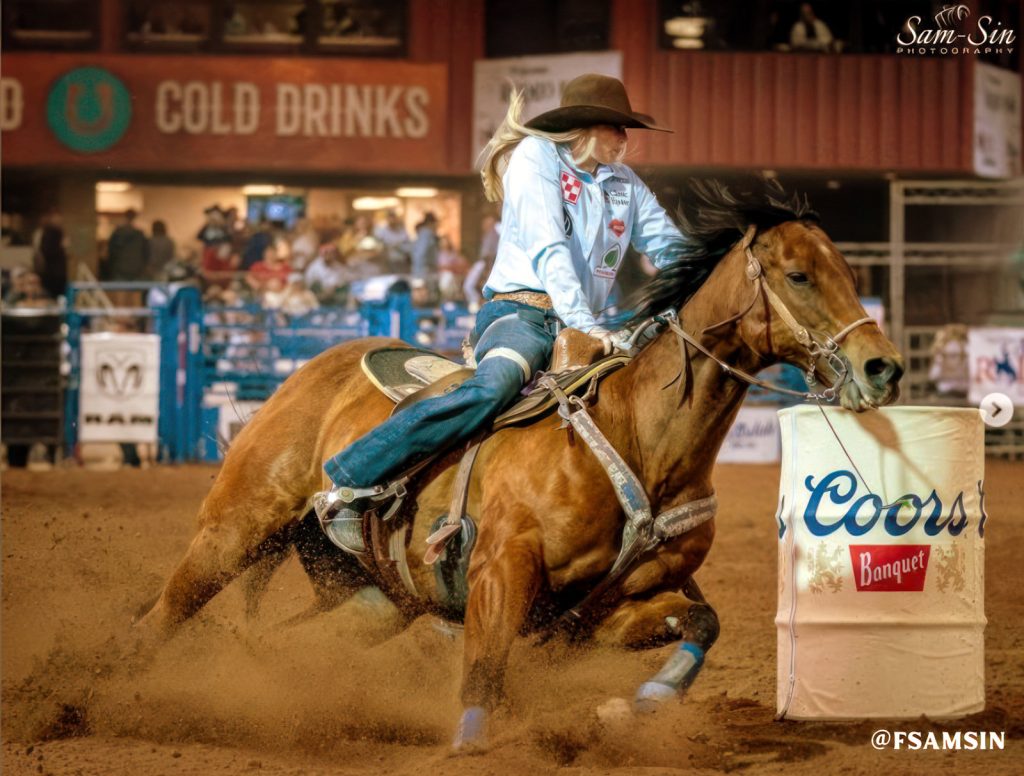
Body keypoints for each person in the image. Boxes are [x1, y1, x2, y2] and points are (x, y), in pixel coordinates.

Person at [313, 73, 696, 552]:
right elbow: (548, 248)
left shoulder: (624, 184)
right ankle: (350, 484)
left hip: (587, 326)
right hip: (521, 313)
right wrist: (586, 325)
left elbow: (668, 246)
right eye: (618, 128)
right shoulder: (535, 158)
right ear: (587, 126)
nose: (625, 139)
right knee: (493, 386)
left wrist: (707, 275)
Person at [105, 209, 149, 281]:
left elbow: (111, 250)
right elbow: (145, 252)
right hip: (136, 267)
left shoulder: (118, 232)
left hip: (120, 266)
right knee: (134, 290)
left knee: (121, 289)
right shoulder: (139, 234)